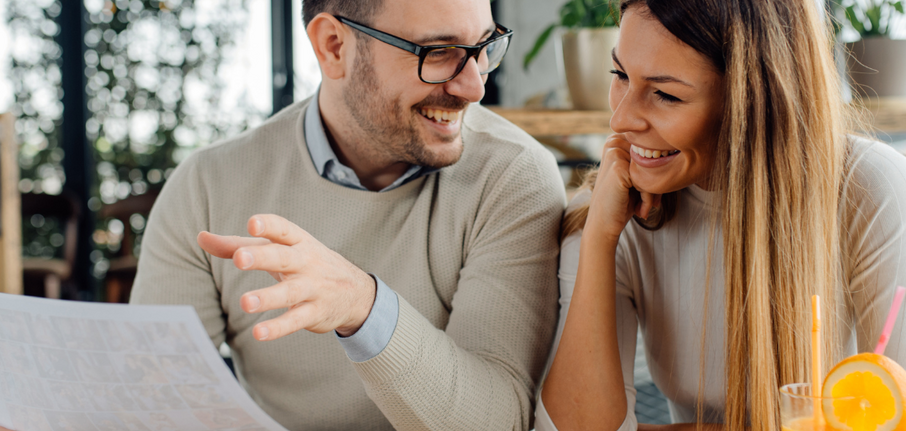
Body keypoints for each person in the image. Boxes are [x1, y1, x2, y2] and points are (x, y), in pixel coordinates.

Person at [130, 0, 565, 430]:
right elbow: (158, 401)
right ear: (333, 46)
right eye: (438, 52)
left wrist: (362, 306)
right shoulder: (207, 186)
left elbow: (499, 421)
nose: (475, 87)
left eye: (485, 46)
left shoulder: (514, 176)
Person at [536, 0, 906, 430]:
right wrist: (599, 236)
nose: (620, 120)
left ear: (754, 103)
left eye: (666, 94)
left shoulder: (869, 189)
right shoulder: (606, 210)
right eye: (619, 75)